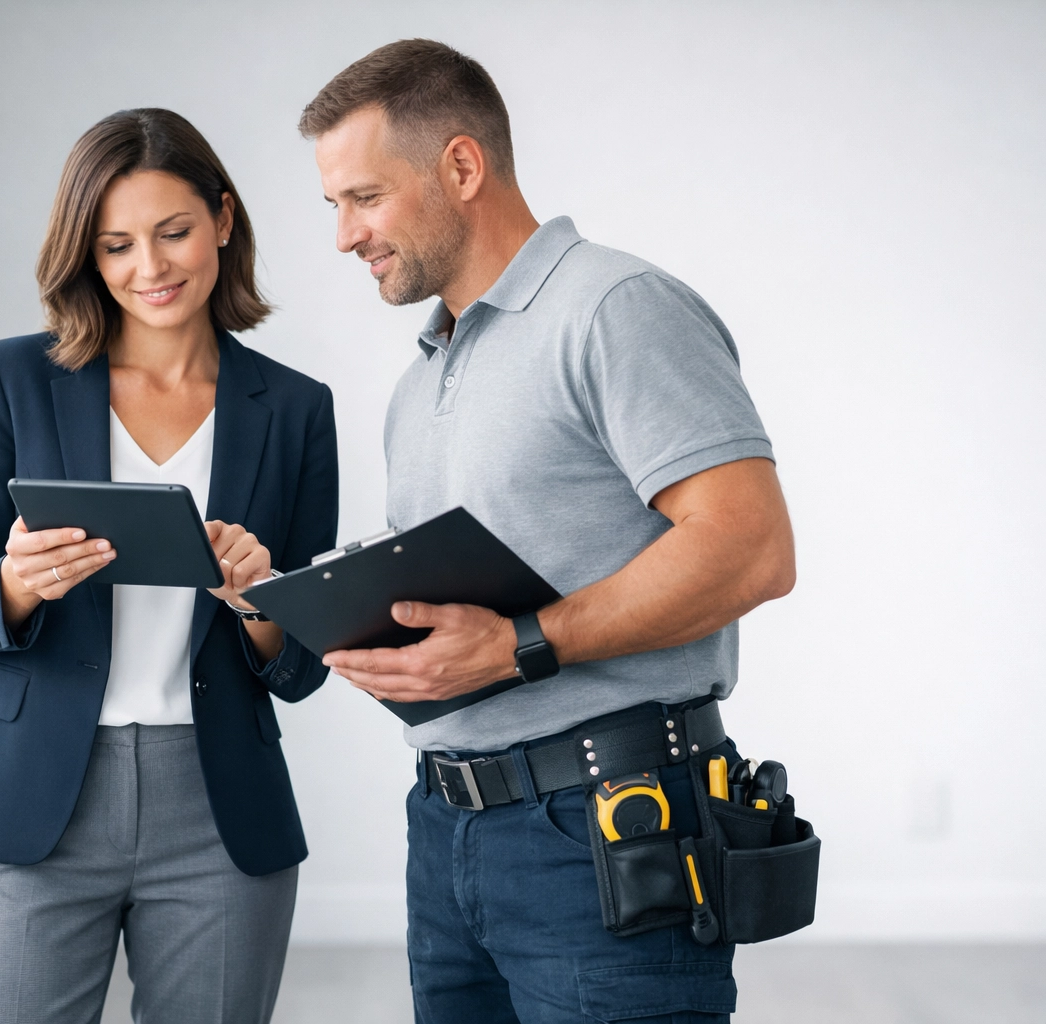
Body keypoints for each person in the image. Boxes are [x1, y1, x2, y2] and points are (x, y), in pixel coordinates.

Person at [299, 40, 796, 1024]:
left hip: (606, 829)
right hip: (447, 832)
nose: (345, 235)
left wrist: (525, 644)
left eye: (364, 198)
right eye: (335, 208)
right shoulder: (422, 377)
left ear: (461, 166)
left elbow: (751, 546)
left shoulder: (613, 309)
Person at [0, 108, 338, 1024]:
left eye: (173, 232)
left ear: (223, 221)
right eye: (115, 246)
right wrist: (15, 583)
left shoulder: (297, 410)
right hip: (29, 796)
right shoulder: (9, 380)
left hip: (219, 809)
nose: (148, 270)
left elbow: (305, 661)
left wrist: (258, 599)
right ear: (87, 255)